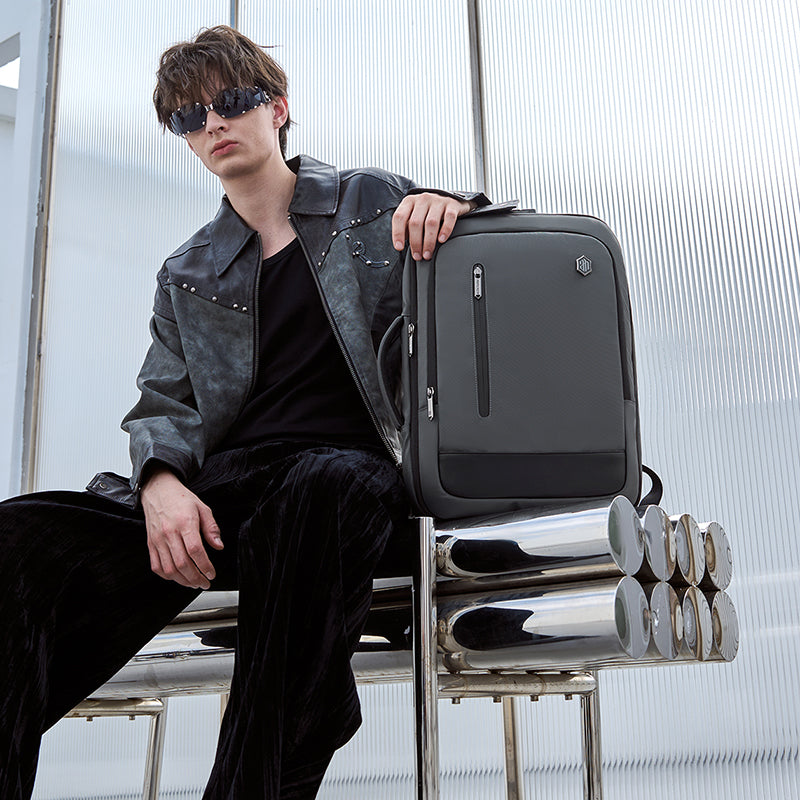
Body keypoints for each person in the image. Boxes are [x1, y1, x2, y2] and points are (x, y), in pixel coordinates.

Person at [0, 24, 488, 799]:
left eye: (230, 101)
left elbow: (479, 259)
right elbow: (163, 402)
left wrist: (450, 203)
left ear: (278, 108)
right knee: (18, 535)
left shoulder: (369, 201)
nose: (213, 123)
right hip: (230, 494)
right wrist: (161, 482)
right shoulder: (189, 270)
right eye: (189, 117)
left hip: (347, 479)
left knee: (319, 487)